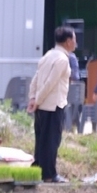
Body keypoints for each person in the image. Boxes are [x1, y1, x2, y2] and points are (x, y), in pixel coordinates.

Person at [28, 26, 75, 183]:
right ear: (68, 41)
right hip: (54, 105)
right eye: (74, 39)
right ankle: (49, 174)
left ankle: (38, 170)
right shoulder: (62, 59)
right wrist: (37, 100)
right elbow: (50, 83)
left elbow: (36, 78)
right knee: (51, 141)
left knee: (41, 140)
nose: (75, 43)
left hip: (42, 106)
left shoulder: (48, 55)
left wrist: (33, 98)